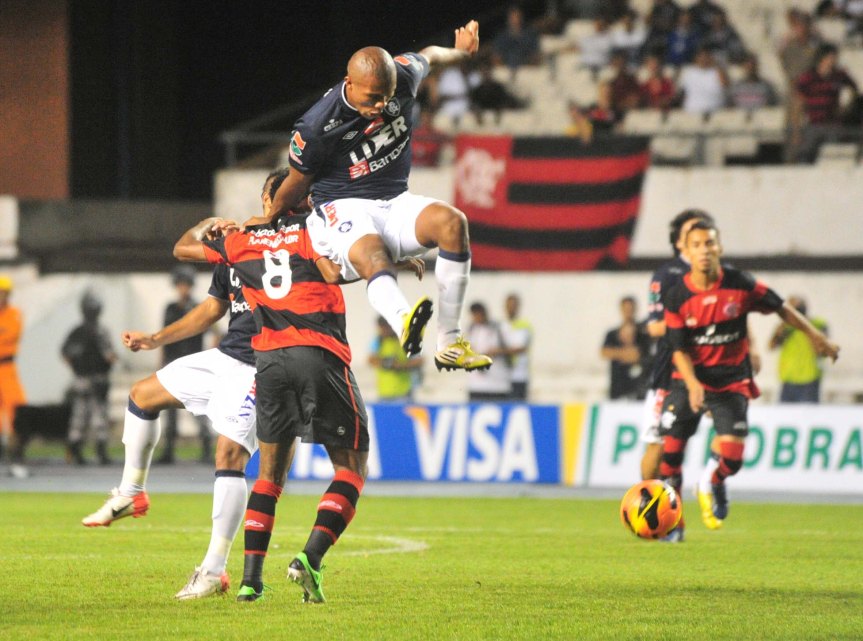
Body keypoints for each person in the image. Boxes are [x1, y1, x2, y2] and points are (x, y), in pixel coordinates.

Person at [174, 173, 422, 604]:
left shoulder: (241, 241)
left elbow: (182, 248)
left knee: (269, 475)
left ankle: (251, 581)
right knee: (351, 469)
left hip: (268, 362)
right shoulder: (317, 227)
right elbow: (335, 266)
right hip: (318, 351)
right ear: (305, 199)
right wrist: (391, 263)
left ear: (269, 198)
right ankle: (309, 558)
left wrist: (211, 223)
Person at [81, 170, 287, 602]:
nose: (278, 201)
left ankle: (214, 570)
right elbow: (211, 307)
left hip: (261, 363)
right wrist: (156, 339)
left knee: (229, 455)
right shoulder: (237, 243)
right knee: (141, 395)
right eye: (275, 193)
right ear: (267, 195)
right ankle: (131, 494)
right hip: (227, 356)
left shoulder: (297, 237)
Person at [268, 21, 492, 373]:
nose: (381, 105)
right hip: (341, 206)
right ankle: (405, 323)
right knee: (373, 253)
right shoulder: (316, 127)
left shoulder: (402, 77)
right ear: (349, 82)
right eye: (372, 98)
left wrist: (460, 52)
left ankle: (449, 341)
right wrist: (268, 216)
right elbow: (297, 183)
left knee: (453, 223)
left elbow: (429, 56)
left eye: (386, 96)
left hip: (394, 200)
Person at [661, 219, 839, 540]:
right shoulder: (676, 296)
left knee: (733, 458)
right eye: (697, 245)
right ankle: (674, 522)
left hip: (731, 381)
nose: (704, 251)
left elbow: (782, 307)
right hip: (689, 380)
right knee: (670, 455)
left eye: (710, 244)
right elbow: (677, 348)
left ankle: (713, 481)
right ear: (686, 252)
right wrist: (692, 383)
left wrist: (815, 336)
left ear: (720, 248)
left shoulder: (740, 283)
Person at [638, 209, 712, 482]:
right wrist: (695, 320)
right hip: (670, 376)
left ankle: (704, 495)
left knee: (726, 438)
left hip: (710, 372)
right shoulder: (667, 275)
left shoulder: (715, 275)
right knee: (659, 448)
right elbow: (655, 326)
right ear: (680, 241)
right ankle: (648, 506)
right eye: (693, 232)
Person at [157, 265, 212, 464]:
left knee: (197, 407)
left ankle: (206, 448)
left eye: (186, 285)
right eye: (180, 285)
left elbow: (215, 331)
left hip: (193, 363)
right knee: (169, 410)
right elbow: (164, 335)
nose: (183, 289)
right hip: (173, 364)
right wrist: (162, 363)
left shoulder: (198, 308)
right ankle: (169, 449)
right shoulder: (171, 309)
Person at [61, 290, 117, 465]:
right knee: (96, 416)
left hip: (85, 378)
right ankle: (96, 452)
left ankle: (77, 450)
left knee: (82, 416)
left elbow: (66, 354)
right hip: (95, 378)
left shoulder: (79, 331)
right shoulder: (100, 331)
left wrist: (77, 368)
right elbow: (110, 356)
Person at [794, 43, 859, 162]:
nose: (834, 60)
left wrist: (846, 108)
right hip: (814, 124)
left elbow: (854, 90)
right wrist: (797, 129)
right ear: (822, 57)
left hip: (833, 124)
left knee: (835, 156)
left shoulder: (839, 76)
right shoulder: (808, 77)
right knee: (805, 155)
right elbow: (799, 102)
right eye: (832, 57)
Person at [769, 296, 829, 403]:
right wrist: (784, 324)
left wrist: (806, 327)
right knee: (785, 416)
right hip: (788, 379)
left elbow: (822, 350)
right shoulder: (786, 327)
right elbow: (771, 346)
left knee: (810, 416)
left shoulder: (817, 324)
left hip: (810, 379)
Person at [0, 275, 27, 477]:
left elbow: (9, 334)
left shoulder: (14, 314)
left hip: (6, 368)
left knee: (17, 411)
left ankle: (16, 458)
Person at [600, 296, 651, 400]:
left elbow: (639, 354)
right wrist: (624, 353)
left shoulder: (643, 333)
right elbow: (604, 352)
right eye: (626, 309)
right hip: (618, 388)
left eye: (630, 309)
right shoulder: (612, 334)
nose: (628, 312)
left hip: (639, 389)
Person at [369, 316, 423, 402]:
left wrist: (401, 365)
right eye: (382, 327)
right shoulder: (378, 341)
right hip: (384, 393)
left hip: (404, 393)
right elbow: (370, 359)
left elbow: (419, 360)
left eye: (386, 327)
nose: (384, 330)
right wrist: (387, 363)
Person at [465, 302, 512, 401]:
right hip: (476, 384)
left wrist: (496, 352)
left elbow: (514, 348)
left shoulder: (499, 327)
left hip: (498, 384)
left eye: (479, 314)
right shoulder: (471, 329)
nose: (477, 317)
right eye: (474, 314)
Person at [678, 46, 727, 114]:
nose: (704, 59)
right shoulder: (688, 72)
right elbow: (680, 93)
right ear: (696, 58)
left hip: (716, 112)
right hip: (692, 113)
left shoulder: (717, 72)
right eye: (701, 57)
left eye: (706, 57)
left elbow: (725, 85)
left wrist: (718, 66)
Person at [500, 293, 532, 401]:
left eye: (513, 306)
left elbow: (519, 348)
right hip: (503, 376)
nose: (511, 309)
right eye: (509, 305)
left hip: (519, 375)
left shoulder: (524, 325)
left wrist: (498, 351)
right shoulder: (501, 325)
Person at [492, 5, 541, 71]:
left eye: (517, 17)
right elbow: (496, 57)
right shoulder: (501, 38)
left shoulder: (530, 35)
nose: (515, 20)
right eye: (513, 17)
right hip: (507, 71)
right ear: (508, 19)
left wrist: (528, 67)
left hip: (527, 70)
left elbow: (536, 56)